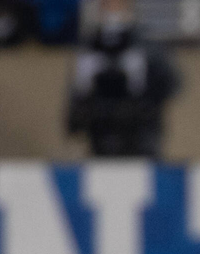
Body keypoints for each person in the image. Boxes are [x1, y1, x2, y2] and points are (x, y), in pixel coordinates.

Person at [66, 0, 180, 158]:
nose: (113, 10)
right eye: (107, 5)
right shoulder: (91, 44)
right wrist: (83, 87)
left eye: (119, 4)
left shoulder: (147, 43)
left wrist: (145, 74)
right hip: (101, 136)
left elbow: (172, 84)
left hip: (141, 136)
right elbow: (76, 100)